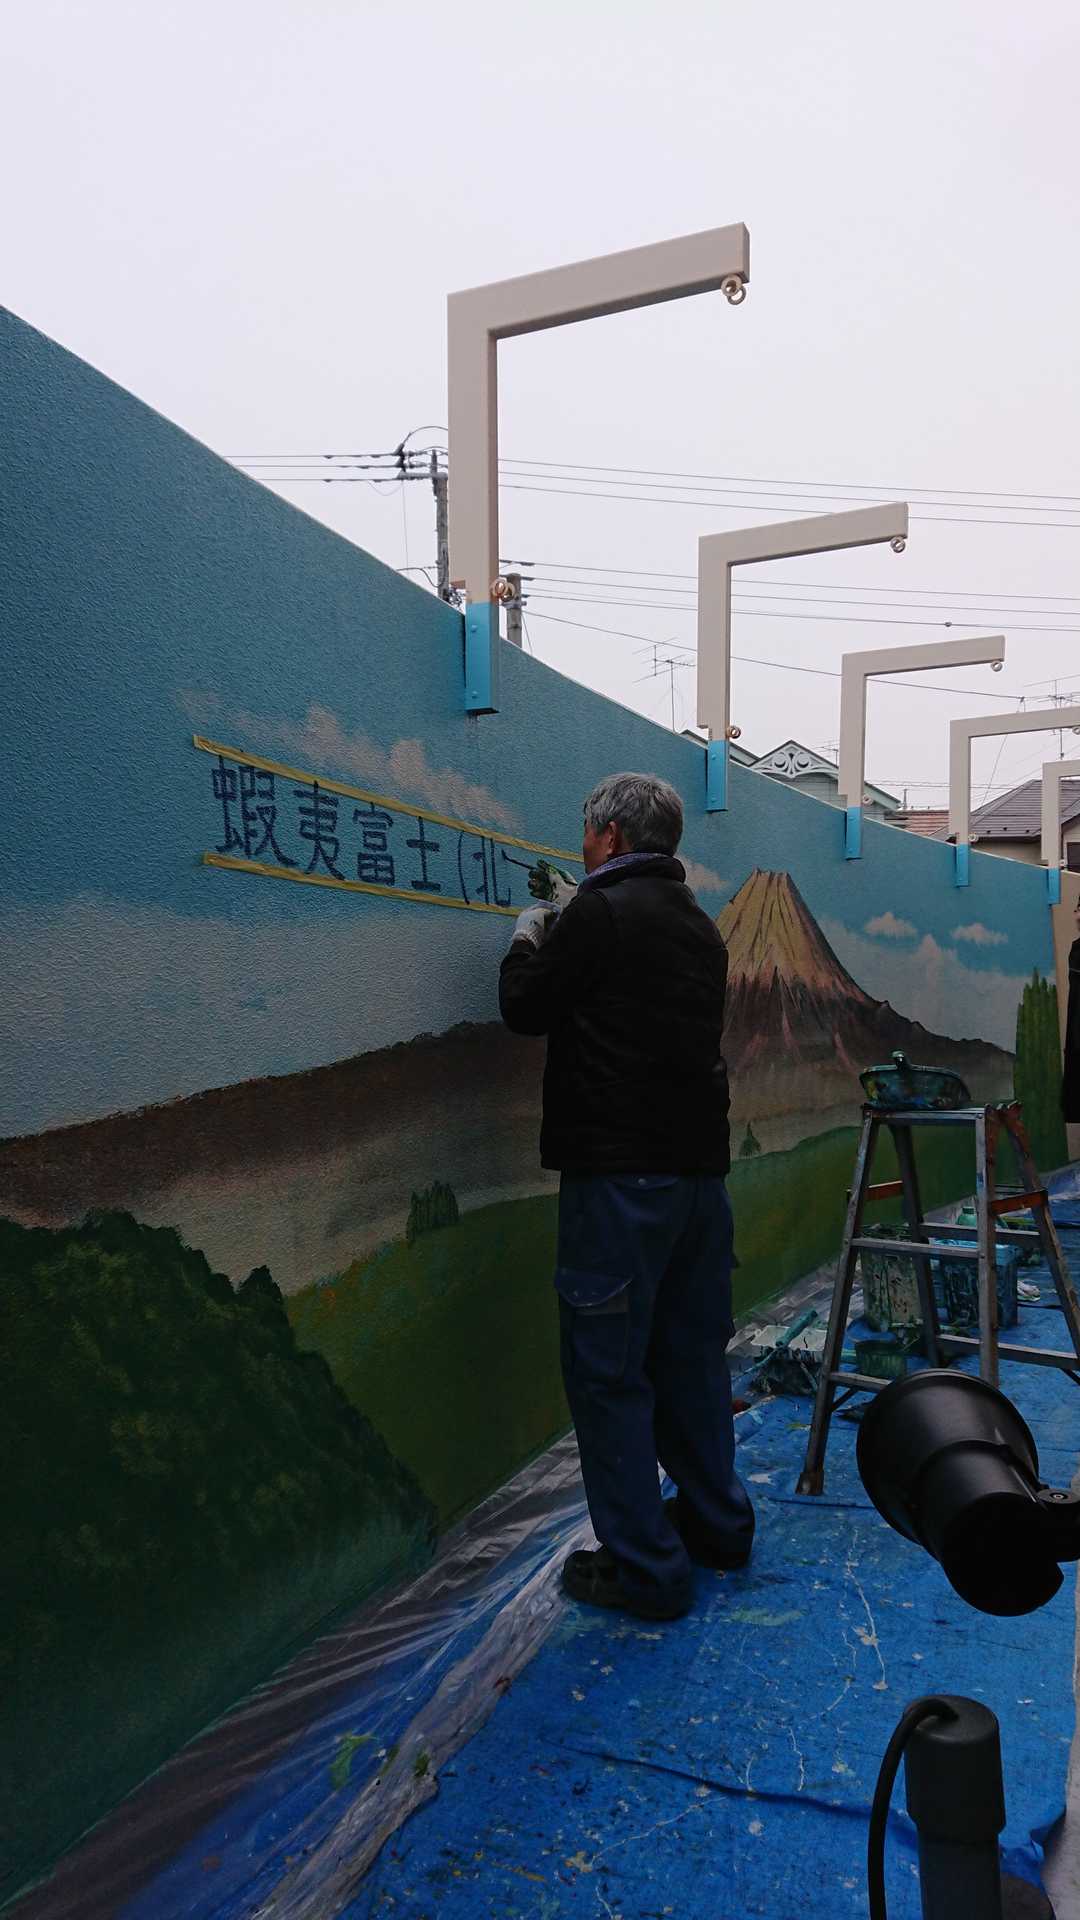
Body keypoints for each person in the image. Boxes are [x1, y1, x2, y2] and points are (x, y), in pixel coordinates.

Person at [498, 771, 754, 1621]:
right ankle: (718, 1528)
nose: (582, 844)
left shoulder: (598, 914)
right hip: (698, 1183)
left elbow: (525, 1006)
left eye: (587, 830)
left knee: (607, 1374)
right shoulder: (700, 928)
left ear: (610, 836)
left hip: (619, 1184)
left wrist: (528, 937)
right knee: (689, 1362)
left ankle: (646, 1570)